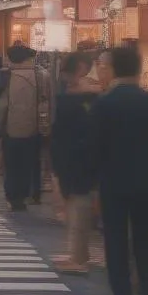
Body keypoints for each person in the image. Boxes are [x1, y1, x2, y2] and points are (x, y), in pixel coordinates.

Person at [92, 45, 148, 295]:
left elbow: (96, 145)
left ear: (114, 69)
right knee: (145, 232)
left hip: (114, 179)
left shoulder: (105, 103)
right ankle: (146, 282)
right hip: (147, 177)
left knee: (115, 237)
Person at [49, 53, 101, 274]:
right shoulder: (83, 95)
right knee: (75, 205)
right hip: (74, 157)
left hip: (80, 159)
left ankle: (79, 258)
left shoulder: (87, 96)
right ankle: (77, 254)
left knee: (79, 206)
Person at [0, 43, 48, 211]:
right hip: (35, 126)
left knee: (12, 164)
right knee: (32, 161)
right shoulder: (41, 75)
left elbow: (2, 105)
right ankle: (32, 193)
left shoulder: (6, 76)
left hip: (12, 128)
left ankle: (13, 196)